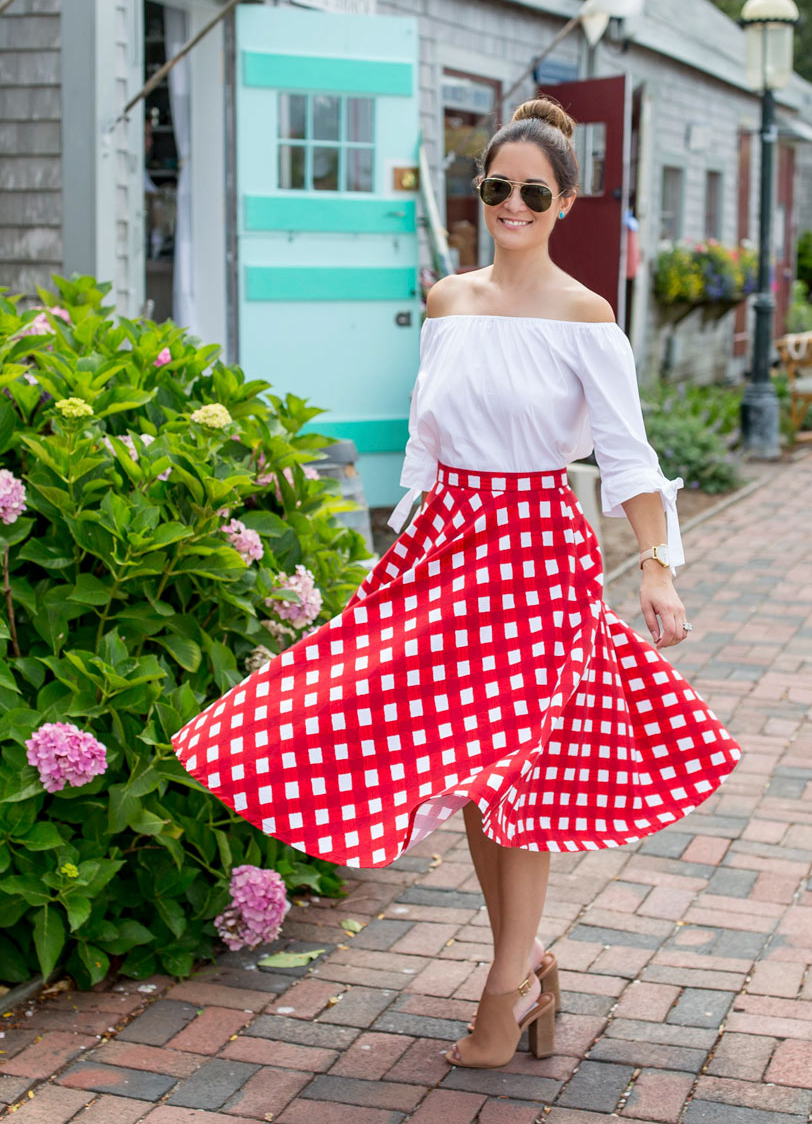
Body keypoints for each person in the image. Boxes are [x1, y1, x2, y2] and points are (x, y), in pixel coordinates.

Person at [172, 97, 741, 1072]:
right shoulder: (448, 302)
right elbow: (428, 444)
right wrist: (392, 559)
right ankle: (528, 964)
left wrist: (655, 566)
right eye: (493, 188)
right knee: (449, 765)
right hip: (445, 548)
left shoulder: (583, 315)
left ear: (564, 201)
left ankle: (507, 984)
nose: (509, 204)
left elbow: (627, 459)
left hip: (535, 558)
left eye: (530, 191)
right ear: (476, 196)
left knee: (513, 777)